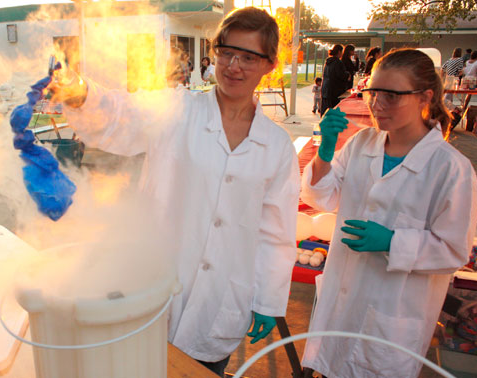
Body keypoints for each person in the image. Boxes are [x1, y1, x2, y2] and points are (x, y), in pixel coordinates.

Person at [46, 7, 300, 377]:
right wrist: (80, 93)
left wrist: (268, 298)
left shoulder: (275, 145)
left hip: (221, 299)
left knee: (203, 367)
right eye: (226, 52)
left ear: (269, 65)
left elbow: (276, 232)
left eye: (248, 57)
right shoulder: (179, 107)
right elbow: (122, 114)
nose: (233, 66)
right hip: (155, 286)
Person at [300, 48, 477, 377]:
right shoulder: (361, 143)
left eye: (392, 96)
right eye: (373, 92)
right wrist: (325, 153)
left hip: (391, 320)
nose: (377, 104)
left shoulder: (451, 169)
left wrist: (394, 242)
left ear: (425, 97)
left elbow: (453, 251)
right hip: (341, 304)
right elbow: (322, 197)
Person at [320, 44, 349, 116]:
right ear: (339, 52)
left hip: (325, 89)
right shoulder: (338, 62)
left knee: (326, 110)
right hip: (334, 90)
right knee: (334, 110)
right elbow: (340, 75)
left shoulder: (328, 62)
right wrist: (347, 74)